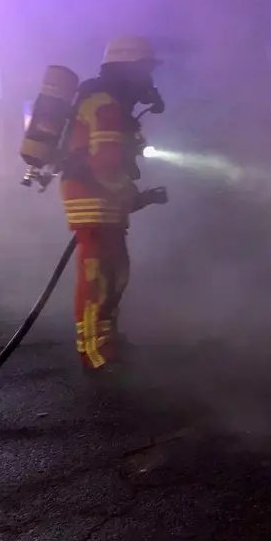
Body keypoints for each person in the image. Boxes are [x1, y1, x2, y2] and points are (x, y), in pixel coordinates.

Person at [59, 35, 166, 373]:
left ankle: (107, 339)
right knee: (98, 274)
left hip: (104, 197)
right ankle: (90, 347)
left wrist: (133, 196)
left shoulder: (113, 102)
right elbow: (104, 163)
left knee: (116, 272)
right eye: (145, 68)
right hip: (90, 197)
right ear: (128, 69)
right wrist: (134, 196)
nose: (149, 77)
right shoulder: (104, 103)